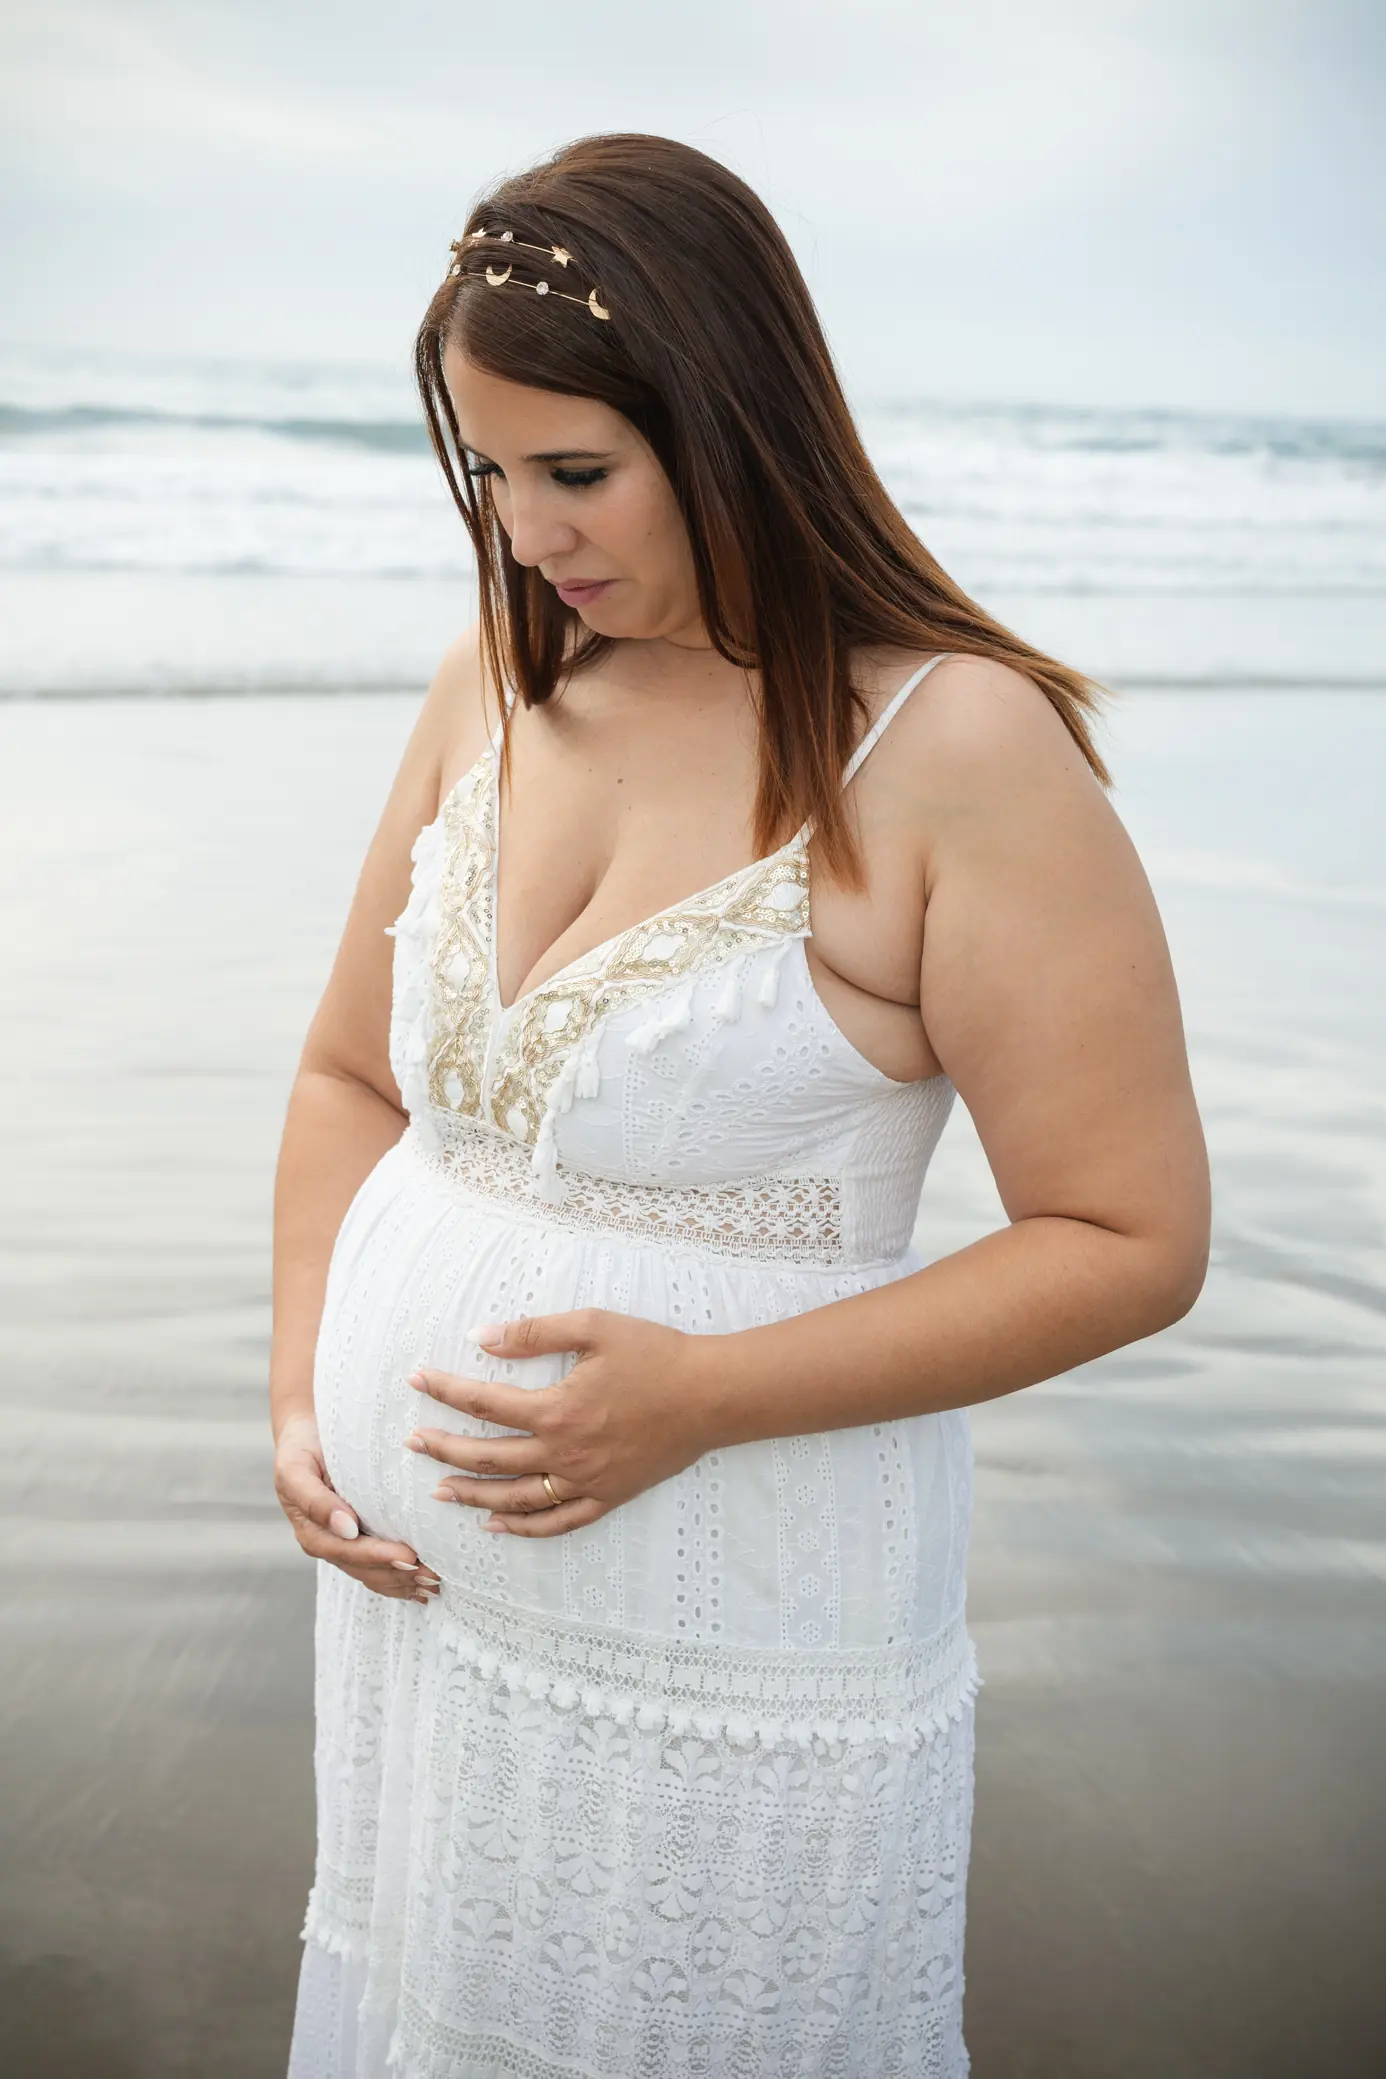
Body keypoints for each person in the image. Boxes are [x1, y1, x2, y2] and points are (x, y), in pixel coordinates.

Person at [272, 132, 1210, 2079]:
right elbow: (350, 1074)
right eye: (487, 474)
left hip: (737, 1622)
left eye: (576, 470)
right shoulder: (495, 682)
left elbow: (1129, 1239)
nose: (526, 530)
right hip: (414, 1619)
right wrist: (302, 1396)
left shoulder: (952, 747)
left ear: (726, 415)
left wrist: (701, 1394)